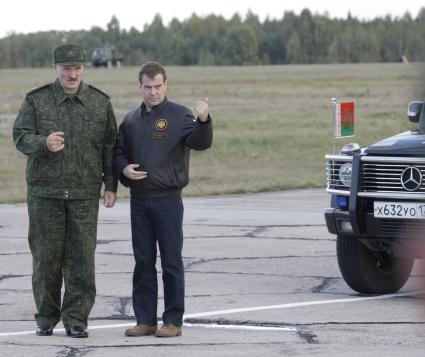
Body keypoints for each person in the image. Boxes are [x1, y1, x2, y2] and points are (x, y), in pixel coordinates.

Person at [12, 44, 118, 338]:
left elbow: (110, 147)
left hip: (84, 194)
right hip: (45, 193)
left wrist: (111, 185)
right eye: (66, 69)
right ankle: (46, 316)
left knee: (82, 259)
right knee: (46, 258)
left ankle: (76, 318)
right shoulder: (37, 101)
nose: (72, 75)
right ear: (55, 68)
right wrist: (42, 143)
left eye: (77, 69)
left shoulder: (99, 103)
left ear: (83, 68)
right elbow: (19, 136)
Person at [114, 62, 213, 338]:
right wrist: (123, 168)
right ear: (140, 87)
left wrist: (204, 120)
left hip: (167, 200)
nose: (153, 92)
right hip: (139, 200)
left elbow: (200, 142)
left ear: (166, 84)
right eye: (148, 87)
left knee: (171, 261)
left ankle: (173, 320)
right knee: (143, 261)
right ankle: (145, 320)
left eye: (158, 86)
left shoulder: (180, 115)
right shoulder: (131, 120)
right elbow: (118, 151)